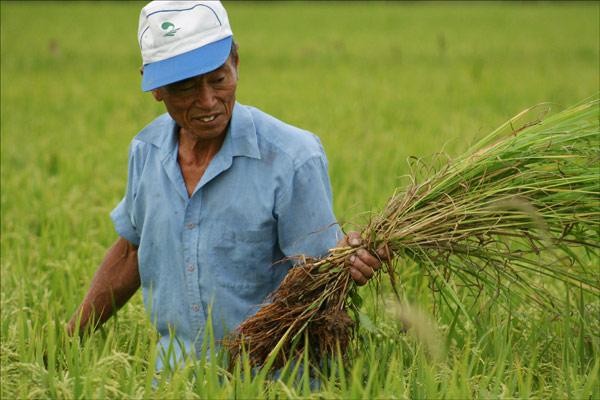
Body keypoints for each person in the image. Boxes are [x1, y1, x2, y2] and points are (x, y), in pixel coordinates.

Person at [67, 0, 385, 370]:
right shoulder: (146, 152)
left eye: (219, 79)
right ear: (156, 88)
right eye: (185, 88)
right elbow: (130, 253)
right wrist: (66, 343)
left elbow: (321, 273)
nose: (207, 101)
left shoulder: (292, 158)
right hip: (174, 381)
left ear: (236, 61)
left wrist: (352, 259)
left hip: (272, 380)